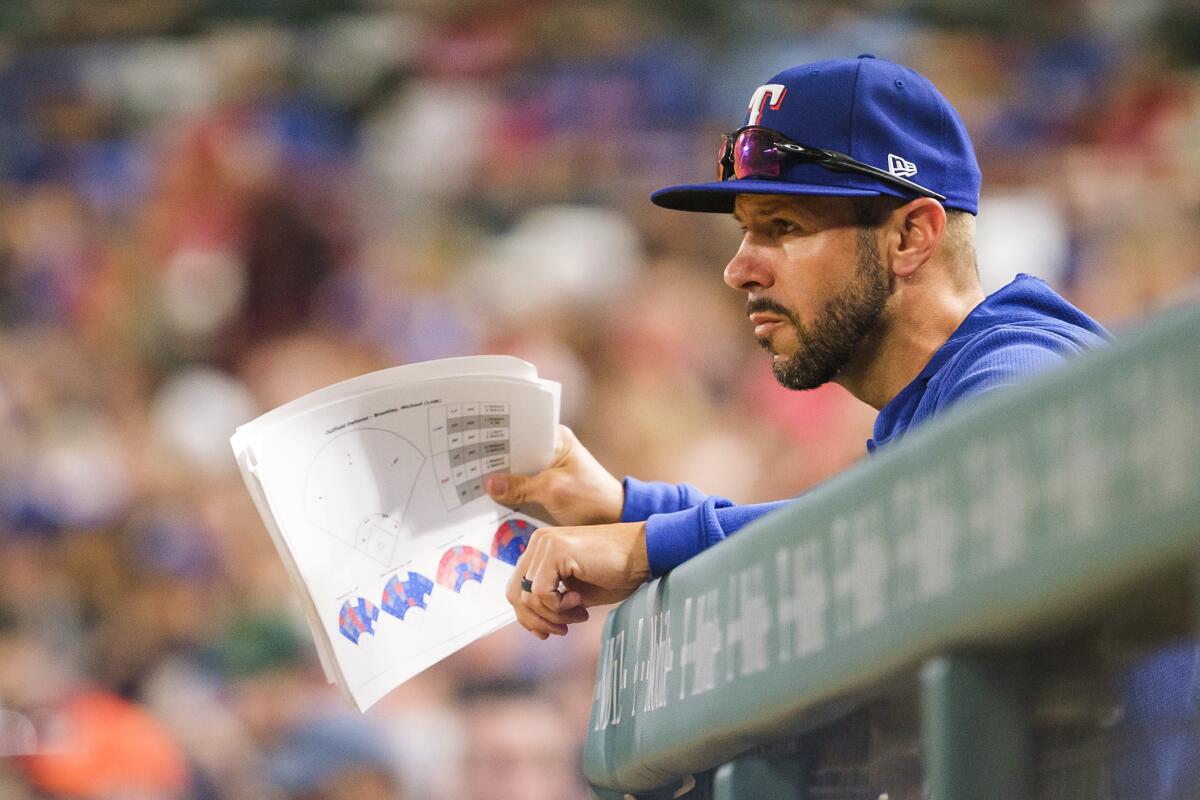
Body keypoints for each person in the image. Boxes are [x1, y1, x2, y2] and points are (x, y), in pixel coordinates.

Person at [485, 54, 1109, 639]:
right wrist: (625, 508)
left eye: (783, 227)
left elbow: (933, 517)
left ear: (911, 237)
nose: (739, 269)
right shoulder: (931, 406)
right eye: (745, 230)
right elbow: (854, 526)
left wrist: (648, 543)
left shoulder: (1025, 366)